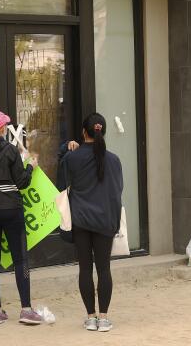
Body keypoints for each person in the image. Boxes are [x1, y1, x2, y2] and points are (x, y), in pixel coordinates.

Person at [0, 110, 43, 325]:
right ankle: (26, 309)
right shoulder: (10, 151)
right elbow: (22, 183)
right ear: (2, 129)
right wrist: (31, 166)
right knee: (20, 259)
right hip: (11, 211)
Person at [61, 113, 124, 332]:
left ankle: (90, 317)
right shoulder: (114, 160)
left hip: (80, 220)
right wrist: (115, 223)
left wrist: (65, 147)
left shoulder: (72, 158)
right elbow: (117, 194)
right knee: (104, 269)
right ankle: (104, 318)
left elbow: (62, 177)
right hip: (105, 220)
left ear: (83, 132)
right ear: (103, 131)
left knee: (85, 269)